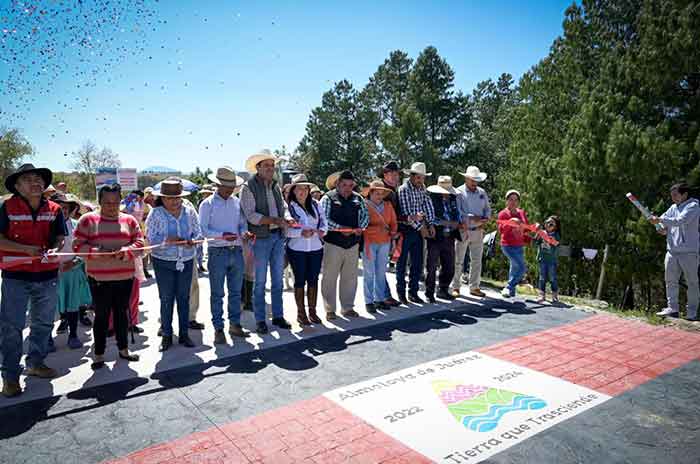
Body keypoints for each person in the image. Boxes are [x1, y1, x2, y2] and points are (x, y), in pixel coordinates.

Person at [0, 164, 66, 397]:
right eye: (28, 179)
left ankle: (35, 363)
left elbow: (60, 237)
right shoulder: (6, 207)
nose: (35, 182)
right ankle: (10, 377)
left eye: (38, 178)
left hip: (47, 276)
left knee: (44, 324)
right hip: (15, 277)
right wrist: (24, 249)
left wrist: (57, 248)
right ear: (17, 186)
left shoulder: (55, 208)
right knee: (11, 327)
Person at [73, 183, 143, 370]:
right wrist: (97, 252)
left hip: (124, 278)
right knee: (102, 316)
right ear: (99, 202)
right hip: (99, 280)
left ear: (121, 201)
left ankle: (124, 349)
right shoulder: (87, 220)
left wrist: (127, 251)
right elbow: (77, 246)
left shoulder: (129, 220)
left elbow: (140, 242)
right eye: (107, 202)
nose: (112, 206)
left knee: (122, 315)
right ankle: (98, 354)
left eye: (115, 202)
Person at [240, 150, 293, 334]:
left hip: (277, 237)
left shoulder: (275, 186)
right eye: (267, 165)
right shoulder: (248, 187)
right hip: (260, 239)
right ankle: (260, 319)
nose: (271, 168)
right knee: (260, 281)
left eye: (272, 165)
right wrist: (275, 220)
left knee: (278, 280)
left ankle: (278, 316)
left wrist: (286, 217)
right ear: (258, 168)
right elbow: (251, 216)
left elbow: (284, 207)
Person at [146, 178, 201, 351]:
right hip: (163, 262)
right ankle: (167, 335)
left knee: (184, 298)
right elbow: (150, 238)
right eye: (170, 198)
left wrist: (193, 241)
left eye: (177, 197)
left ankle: (184, 334)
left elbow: (198, 232)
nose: (174, 201)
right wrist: (167, 240)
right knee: (166, 298)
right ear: (162, 198)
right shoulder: (156, 214)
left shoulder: (189, 211)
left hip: (185, 259)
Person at [201, 166, 253, 343]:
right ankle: (218, 328)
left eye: (232, 186)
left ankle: (235, 324)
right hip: (217, 251)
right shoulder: (207, 204)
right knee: (217, 293)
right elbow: (203, 230)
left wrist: (244, 232)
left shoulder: (236, 202)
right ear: (217, 185)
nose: (230, 189)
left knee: (236, 292)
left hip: (236, 250)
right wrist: (221, 235)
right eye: (227, 186)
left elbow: (242, 224)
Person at [319, 170, 369, 319]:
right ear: (337, 184)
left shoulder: (358, 198)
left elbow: (366, 216)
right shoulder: (327, 198)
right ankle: (330, 310)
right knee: (329, 277)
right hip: (333, 244)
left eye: (350, 185)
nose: (347, 188)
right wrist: (339, 228)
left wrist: (361, 228)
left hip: (353, 244)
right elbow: (324, 219)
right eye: (344, 185)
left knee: (350, 277)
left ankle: (347, 308)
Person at [651, 183, 699, 320]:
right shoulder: (673, 207)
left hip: (689, 252)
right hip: (672, 251)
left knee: (692, 282)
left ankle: (692, 313)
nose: (673, 198)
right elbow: (665, 223)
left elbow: (680, 220)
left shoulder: (693, 206)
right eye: (671, 196)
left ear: (684, 194)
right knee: (670, 281)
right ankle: (673, 308)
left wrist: (659, 220)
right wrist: (661, 228)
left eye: (675, 195)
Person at [286, 174, 327, 325]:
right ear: (294, 190)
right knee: (299, 281)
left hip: (316, 247)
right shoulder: (289, 207)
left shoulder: (316, 204)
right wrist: (300, 233)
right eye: (299, 188)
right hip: (297, 249)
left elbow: (324, 223)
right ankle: (301, 313)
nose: (302, 191)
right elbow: (286, 230)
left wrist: (322, 230)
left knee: (313, 280)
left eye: (305, 188)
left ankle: (313, 311)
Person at [54, 193, 92, 349]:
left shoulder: (77, 225)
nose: (62, 211)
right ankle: (48, 339)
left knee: (73, 304)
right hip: (51, 274)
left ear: (69, 209)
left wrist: (74, 262)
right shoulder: (46, 226)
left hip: (73, 271)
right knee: (51, 307)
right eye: (58, 208)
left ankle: (73, 335)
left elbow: (85, 249)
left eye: (64, 208)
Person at [396, 162, 436, 304]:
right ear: (412, 176)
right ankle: (401, 293)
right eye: (418, 178)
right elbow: (407, 213)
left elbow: (428, 205)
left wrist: (430, 223)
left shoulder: (422, 189)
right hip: (406, 230)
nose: (421, 181)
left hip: (418, 230)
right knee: (401, 263)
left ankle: (413, 293)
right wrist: (422, 228)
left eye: (422, 178)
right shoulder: (404, 189)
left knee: (417, 263)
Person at [453, 166, 491, 298]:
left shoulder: (482, 192)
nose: (475, 183)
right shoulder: (458, 192)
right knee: (458, 260)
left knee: (476, 260)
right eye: (472, 180)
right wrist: (470, 217)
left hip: (478, 230)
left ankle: (474, 286)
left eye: (477, 180)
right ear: (466, 178)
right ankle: (455, 286)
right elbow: (457, 211)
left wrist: (486, 218)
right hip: (463, 230)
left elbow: (487, 209)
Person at [425, 176, 463, 303]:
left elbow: (457, 213)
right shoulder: (431, 198)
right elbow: (430, 217)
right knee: (431, 266)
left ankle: (443, 289)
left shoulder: (453, 199)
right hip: (436, 236)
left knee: (449, 266)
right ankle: (429, 292)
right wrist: (446, 223)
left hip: (450, 236)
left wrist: (457, 222)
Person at [362, 180, 397, 312]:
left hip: (385, 242)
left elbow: (393, 222)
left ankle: (379, 299)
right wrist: (377, 229)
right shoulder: (364, 205)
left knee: (381, 272)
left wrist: (392, 233)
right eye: (377, 193)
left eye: (381, 193)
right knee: (369, 272)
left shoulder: (388, 205)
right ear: (370, 193)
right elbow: (363, 224)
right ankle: (368, 301)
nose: (379, 196)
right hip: (369, 242)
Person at [497, 190, 531, 298]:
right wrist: (511, 222)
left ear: (518, 202)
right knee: (522, 268)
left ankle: (511, 292)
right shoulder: (503, 214)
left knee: (514, 267)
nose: (513, 202)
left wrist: (532, 231)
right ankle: (509, 286)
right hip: (507, 245)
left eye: (516, 200)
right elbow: (501, 230)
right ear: (506, 201)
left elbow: (525, 228)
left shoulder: (521, 212)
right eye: (511, 199)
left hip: (519, 245)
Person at [380, 161, 402, 306]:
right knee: (379, 266)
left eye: (396, 174)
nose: (395, 177)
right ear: (385, 175)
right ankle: (384, 296)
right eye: (392, 174)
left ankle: (383, 296)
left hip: (390, 232)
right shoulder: (382, 190)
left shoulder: (394, 190)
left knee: (381, 266)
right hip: (380, 233)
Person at [535, 216, 561, 303]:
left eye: (552, 223)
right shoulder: (541, 232)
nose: (549, 225)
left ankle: (554, 294)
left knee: (552, 278)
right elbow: (536, 242)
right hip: (542, 258)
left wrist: (546, 236)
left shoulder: (556, 235)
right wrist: (538, 234)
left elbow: (555, 243)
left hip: (551, 260)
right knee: (542, 278)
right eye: (547, 222)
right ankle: (541, 295)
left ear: (556, 226)